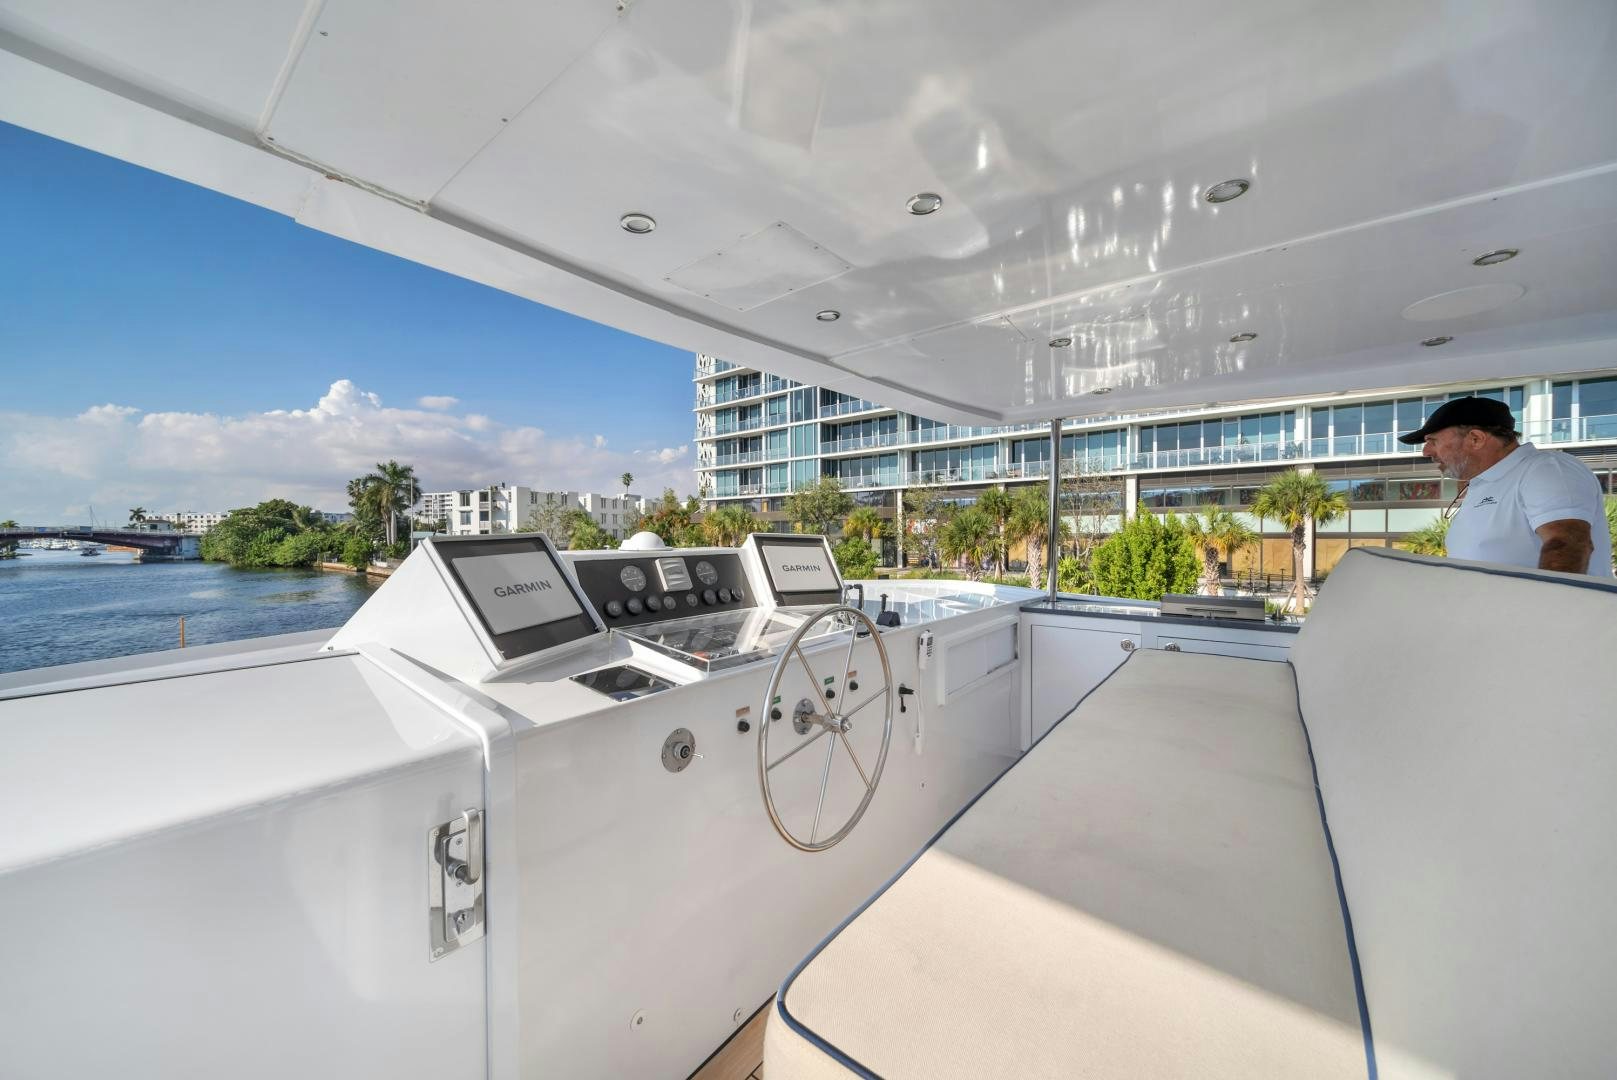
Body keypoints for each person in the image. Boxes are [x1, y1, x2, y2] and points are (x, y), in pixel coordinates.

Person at [1398, 396, 1612, 576]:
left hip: (1542, 622)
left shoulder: (1545, 468)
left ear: (1475, 439)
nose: (1426, 451)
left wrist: (1548, 617)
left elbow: (1567, 544)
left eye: (1432, 441)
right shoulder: (1484, 482)